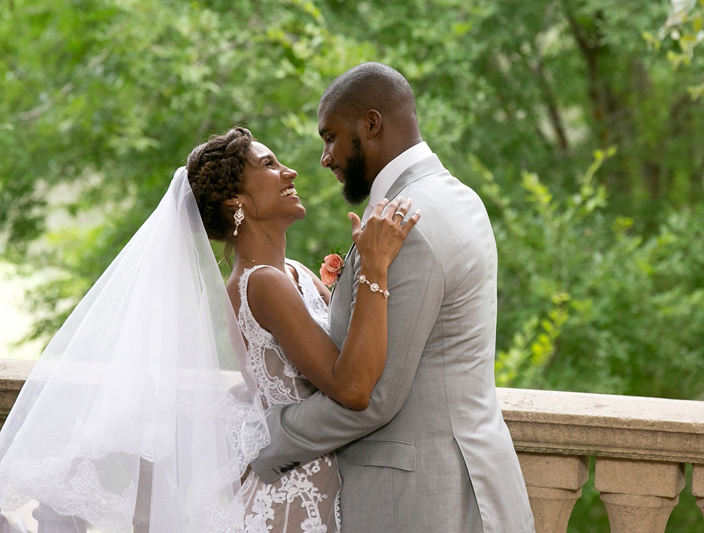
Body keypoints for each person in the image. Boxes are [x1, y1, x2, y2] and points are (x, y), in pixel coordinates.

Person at [0, 126, 418, 533]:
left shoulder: (295, 273)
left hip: (326, 481)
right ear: (236, 199)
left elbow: (344, 353)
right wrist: (375, 266)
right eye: (269, 164)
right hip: (297, 496)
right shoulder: (260, 282)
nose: (290, 171)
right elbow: (351, 386)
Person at [250, 62, 535, 533]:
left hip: (425, 501)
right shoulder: (458, 196)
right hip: (470, 478)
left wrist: (263, 444)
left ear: (372, 124)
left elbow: (376, 396)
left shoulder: (408, 225)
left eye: (331, 137)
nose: (324, 158)